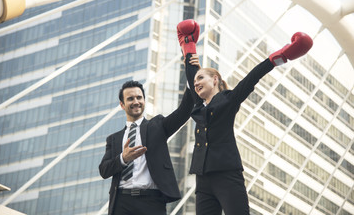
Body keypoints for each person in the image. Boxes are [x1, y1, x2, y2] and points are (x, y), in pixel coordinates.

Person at [177, 19, 313, 215]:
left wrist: (281, 56)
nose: (196, 83)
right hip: (203, 178)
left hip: (227, 175)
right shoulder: (199, 107)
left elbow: (252, 77)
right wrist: (188, 45)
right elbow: (191, 76)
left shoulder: (229, 100)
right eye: (195, 80)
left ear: (215, 80)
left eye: (201, 78)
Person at [98, 59, 200, 215]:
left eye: (139, 97)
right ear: (122, 105)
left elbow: (184, 111)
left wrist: (191, 75)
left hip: (151, 202)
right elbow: (104, 170)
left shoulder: (157, 126)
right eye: (130, 99)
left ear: (144, 100)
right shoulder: (114, 139)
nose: (136, 101)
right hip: (121, 203)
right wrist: (123, 158)